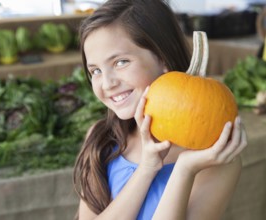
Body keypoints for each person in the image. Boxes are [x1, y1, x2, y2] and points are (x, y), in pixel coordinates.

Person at [73, 0, 248, 219]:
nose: (107, 83)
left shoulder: (215, 160)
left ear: (162, 58)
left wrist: (185, 169)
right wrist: (146, 170)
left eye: (121, 62)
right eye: (96, 70)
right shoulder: (101, 139)